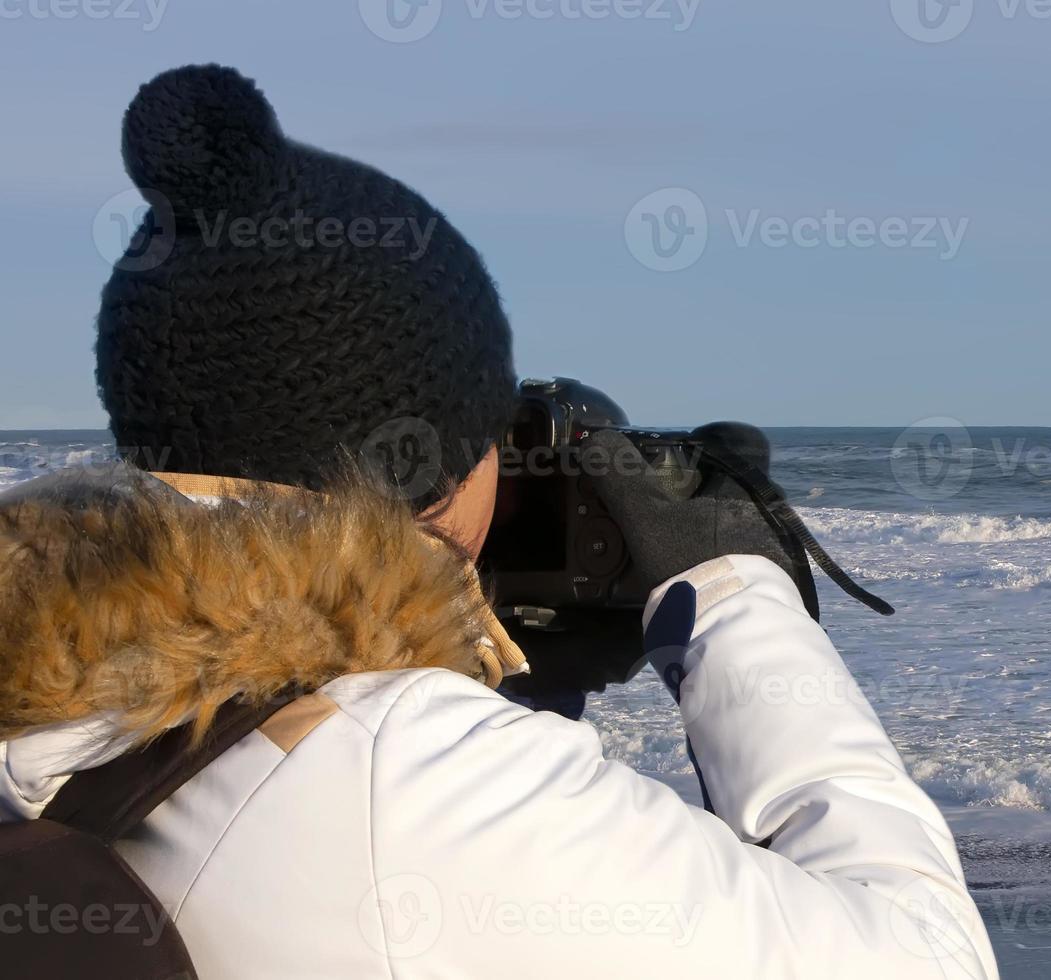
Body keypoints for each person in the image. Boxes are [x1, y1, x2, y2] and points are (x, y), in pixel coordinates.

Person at [0, 65, 998, 978]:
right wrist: (734, 590)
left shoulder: (58, 708)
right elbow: (931, 957)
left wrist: (471, 680)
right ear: (437, 472)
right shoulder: (405, 778)